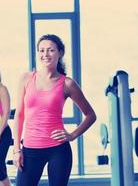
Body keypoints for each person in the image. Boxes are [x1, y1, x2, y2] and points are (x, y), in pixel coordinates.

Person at [13, 34, 96, 186]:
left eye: (50, 50)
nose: (45, 54)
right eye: (41, 50)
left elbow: (90, 115)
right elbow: (19, 115)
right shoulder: (26, 78)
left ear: (60, 53)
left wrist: (72, 135)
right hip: (30, 150)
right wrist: (17, 150)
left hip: (58, 150)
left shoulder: (68, 84)